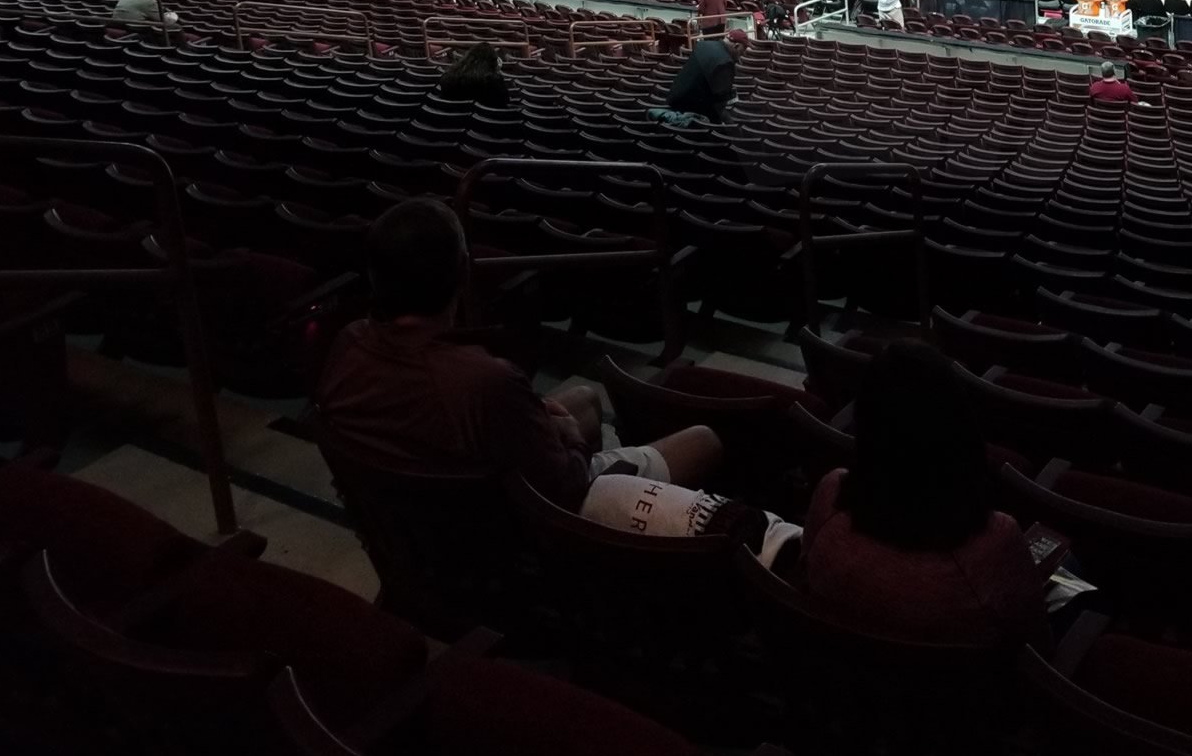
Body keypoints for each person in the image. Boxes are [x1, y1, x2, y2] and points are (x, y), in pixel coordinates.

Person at [317, 201, 780, 551]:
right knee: (705, 438)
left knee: (583, 397)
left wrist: (548, 422)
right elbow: (564, 489)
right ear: (462, 273)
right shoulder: (483, 381)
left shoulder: (347, 345)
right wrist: (567, 440)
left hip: (419, 519)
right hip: (521, 530)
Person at [803, 340, 1045, 645]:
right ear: (959, 427)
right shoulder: (994, 543)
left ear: (865, 423)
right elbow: (1035, 642)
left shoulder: (830, 496)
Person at [666, 36, 738, 123]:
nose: (744, 53)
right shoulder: (725, 62)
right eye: (744, 48)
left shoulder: (703, 45)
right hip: (691, 108)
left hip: (674, 97)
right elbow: (720, 104)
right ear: (736, 46)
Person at [438, 45, 509, 106]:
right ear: (492, 63)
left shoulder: (449, 76)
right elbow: (504, 101)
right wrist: (497, 72)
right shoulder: (493, 81)